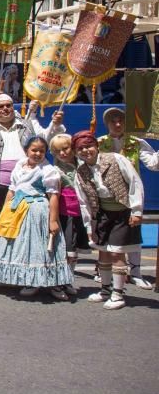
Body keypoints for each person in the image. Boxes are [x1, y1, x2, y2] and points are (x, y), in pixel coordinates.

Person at [0, 136, 72, 300]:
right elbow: (12, 188)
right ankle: (15, 277)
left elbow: (53, 196)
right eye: (34, 150)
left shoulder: (48, 170)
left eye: (41, 151)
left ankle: (42, 282)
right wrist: (5, 210)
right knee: (14, 244)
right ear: (26, 151)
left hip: (36, 210)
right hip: (16, 207)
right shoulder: (20, 164)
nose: (37, 153)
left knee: (36, 246)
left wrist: (52, 220)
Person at [72, 131, 144, 311]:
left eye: (88, 146)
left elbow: (134, 182)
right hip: (102, 214)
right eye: (80, 148)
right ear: (76, 152)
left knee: (117, 253)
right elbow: (84, 202)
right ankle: (105, 289)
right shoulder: (80, 172)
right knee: (103, 251)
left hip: (122, 212)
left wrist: (136, 210)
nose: (86, 151)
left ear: (96, 146)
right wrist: (89, 225)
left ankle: (118, 294)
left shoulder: (116, 159)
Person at [0, 93, 65, 236]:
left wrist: (54, 124)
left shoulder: (27, 124)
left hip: (27, 183)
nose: (5, 109)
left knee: (24, 224)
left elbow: (44, 139)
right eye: (1, 106)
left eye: (9, 105)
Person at [97, 106, 158, 289]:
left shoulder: (136, 142)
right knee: (106, 232)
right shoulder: (99, 143)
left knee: (134, 231)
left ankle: (136, 272)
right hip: (108, 196)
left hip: (131, 194)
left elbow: (154, 164)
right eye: (113, 121)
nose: (117, 124)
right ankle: (105, 271)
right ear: (107, 123)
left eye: (121, 120)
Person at [48, 134, 86, 296]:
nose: (62, 153)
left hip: (81, 213)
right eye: (57, 151)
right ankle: (57, 283)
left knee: (74, 249)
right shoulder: (54, 171)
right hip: (64, 215)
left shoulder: (83, 166)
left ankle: (68, 279)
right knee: (63, 250)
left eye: (65, 148)